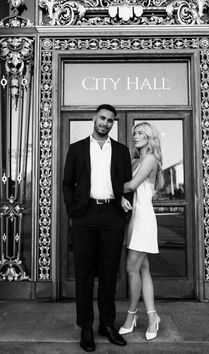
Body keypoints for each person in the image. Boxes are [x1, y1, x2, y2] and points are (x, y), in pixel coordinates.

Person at [63, 104, 133, 352]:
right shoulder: (77, 149)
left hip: (112, 216)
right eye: (102, 118)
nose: (105, 123)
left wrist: (124, 210)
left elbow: (127, 184)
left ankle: (107, 325)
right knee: (84, 274)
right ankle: (86, 327)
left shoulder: (122, 151)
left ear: (113, 123)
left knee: (108, 273)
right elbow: (67, 183)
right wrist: (74, 212)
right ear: (94, 118)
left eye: (110, 120)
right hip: (85, 215)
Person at [119, 121, 164, 341]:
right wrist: (119, 197)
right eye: (133, 133)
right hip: (133, 219)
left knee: (131, 269)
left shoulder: (150, 159)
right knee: (143, 268)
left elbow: (130, 186)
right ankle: (152, 316)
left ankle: (131, 315)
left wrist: (108, 187)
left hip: (144, 219)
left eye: (139, 133)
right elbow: (126, 190)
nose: (135, 135)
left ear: (149, 137)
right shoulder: (136, 159)